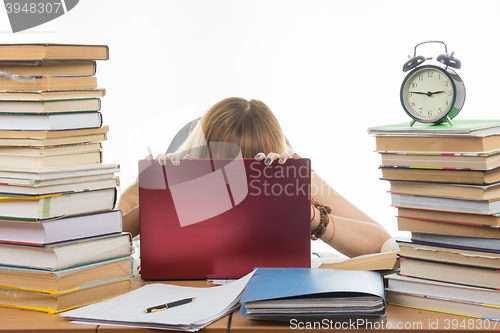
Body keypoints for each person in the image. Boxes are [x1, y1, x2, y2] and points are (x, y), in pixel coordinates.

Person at [118, 97, 392, 258]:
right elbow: (102, 241)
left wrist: (310, 215)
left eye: (250, 172)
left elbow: (383, 245)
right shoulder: (171, 177)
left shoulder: (292, 177)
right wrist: (160, 202)